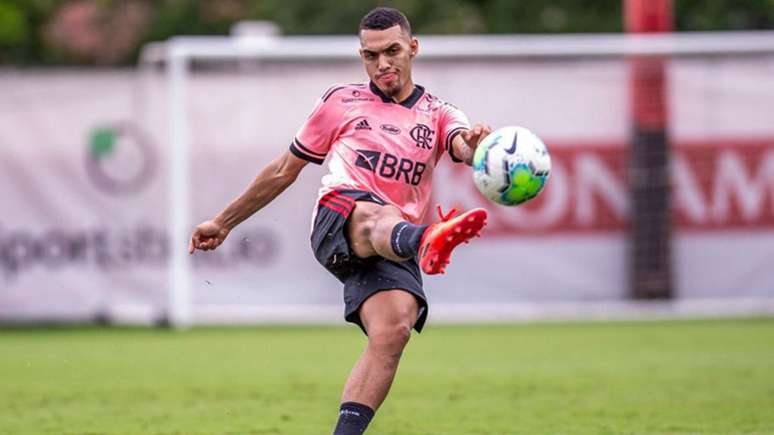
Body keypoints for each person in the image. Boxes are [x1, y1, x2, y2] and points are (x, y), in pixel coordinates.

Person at [189, 7, 491, 435]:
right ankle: (427, 239)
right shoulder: (341, 102)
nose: (382, 64)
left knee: (394, 330)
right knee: (377, 213)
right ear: (361, 56)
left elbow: (460, 145)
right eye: (371, 56)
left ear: (413, 48)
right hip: (341, 218)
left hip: (393, 242)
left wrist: (478, 147)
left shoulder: (439, 113)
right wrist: (223, 222)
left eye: (392, 51)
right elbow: (283, 170)